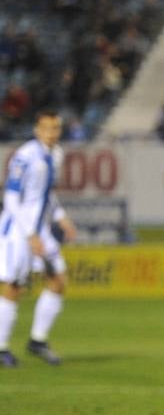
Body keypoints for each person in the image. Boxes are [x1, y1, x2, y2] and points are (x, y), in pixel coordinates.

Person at [0, 110, 75, 367]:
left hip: (40, 229)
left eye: (56, 128)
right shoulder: (24, 156)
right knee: (14, 286)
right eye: (47, 128)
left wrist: (61, 217)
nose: (52, 133)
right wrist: (29, 234)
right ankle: (1, 347)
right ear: (36, 130)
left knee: (58, 280)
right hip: (19, 231)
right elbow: (11, 198)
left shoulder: (57, 154)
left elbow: (45, 194)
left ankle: (37, 340)